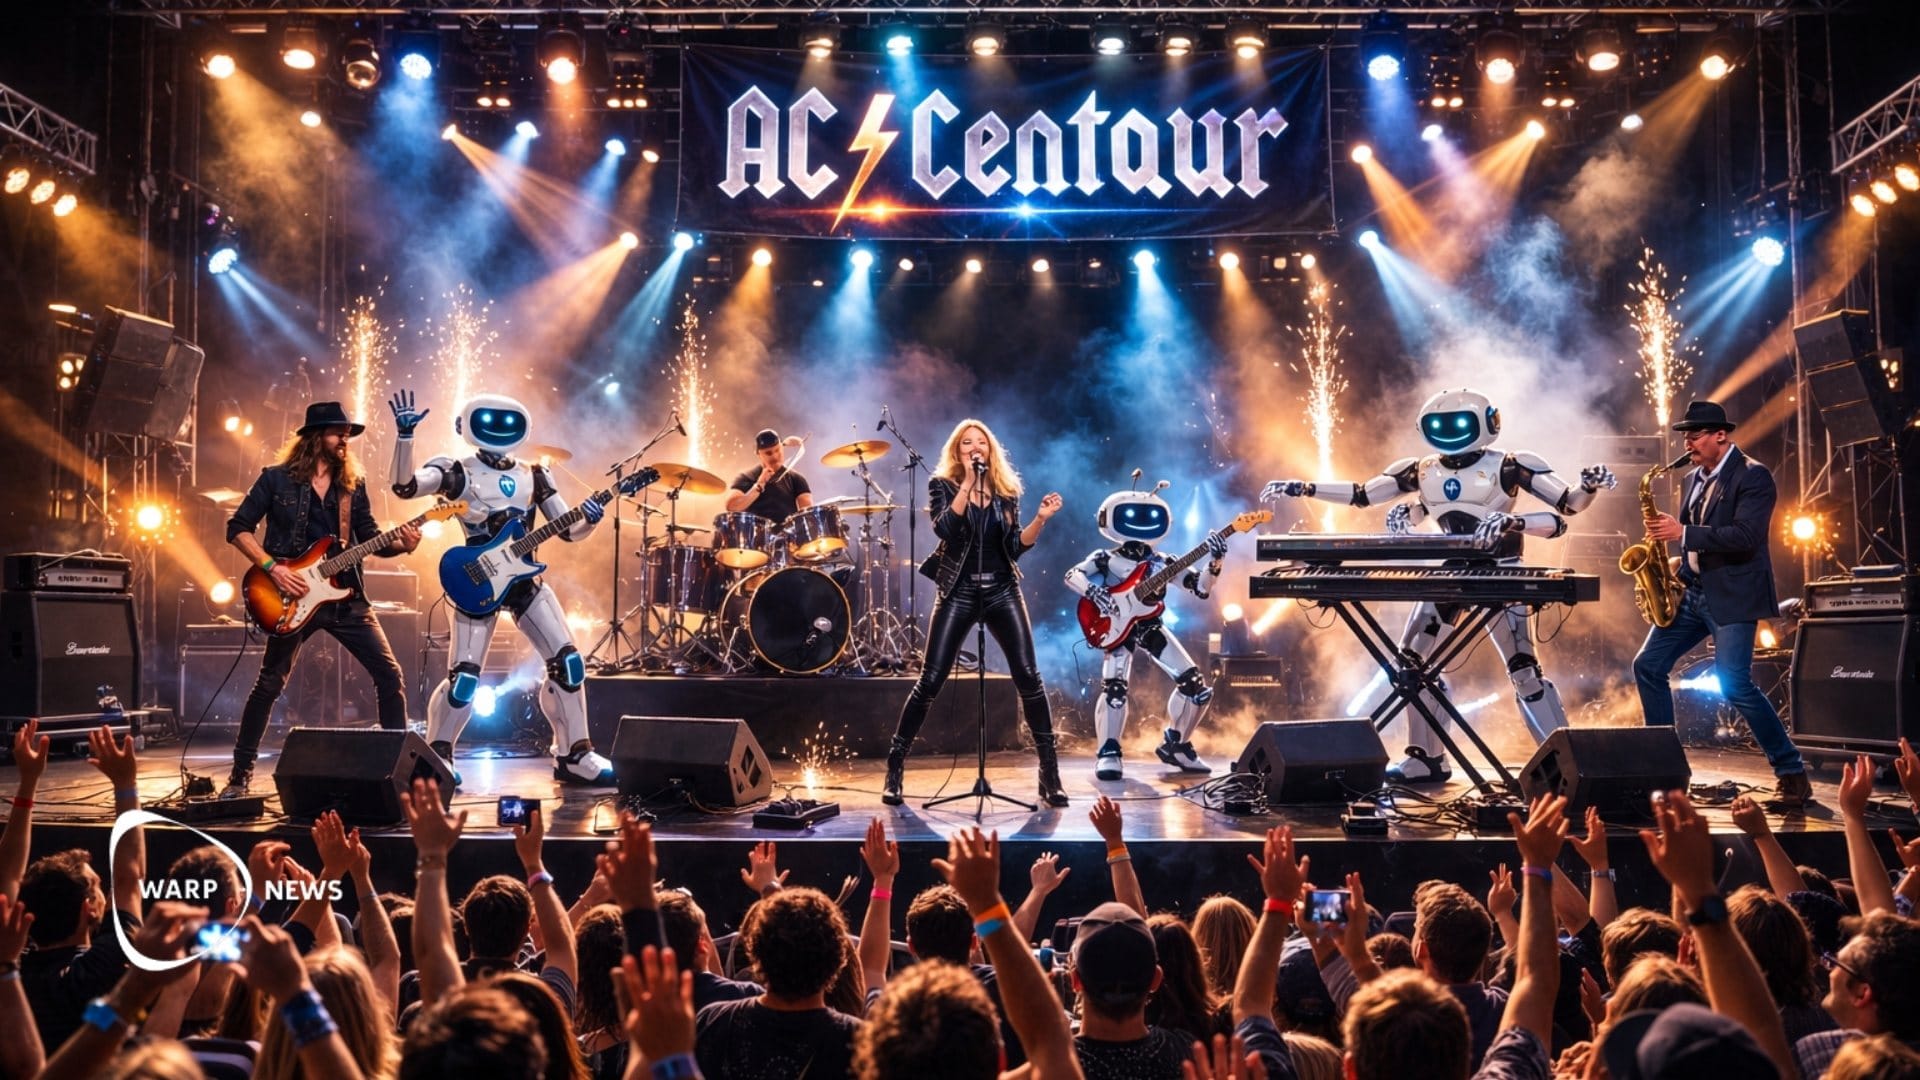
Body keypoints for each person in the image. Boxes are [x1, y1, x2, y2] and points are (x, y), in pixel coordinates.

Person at [1262, 388, 1616, 782]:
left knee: (1523, 670)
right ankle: (1426, 758)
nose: (1450, 431)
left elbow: (1565, 509)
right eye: (1439, 424)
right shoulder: (1422, 470)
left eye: (1460, 422)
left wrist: (1581, 490)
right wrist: (1305, 488)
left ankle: (1565, 765)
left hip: (1502, 569)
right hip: (1452, 571)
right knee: (1411, 665)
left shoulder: (1510, 465)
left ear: (1488, 423)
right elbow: (1362, 494)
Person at [389, 390, 634, 785]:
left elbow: (569, 530)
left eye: (509, 421)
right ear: (466, 424)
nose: (500, 427)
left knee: (569, 662)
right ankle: (439, 753)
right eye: (489, 419)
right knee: (465, 678)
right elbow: (405, 487)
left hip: (525, 581)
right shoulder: (457, 470)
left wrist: (591, 518)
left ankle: (574, 753)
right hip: (477, 581)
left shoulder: (535, 473)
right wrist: (405, 437)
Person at [224, 401, 421, 796]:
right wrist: (273, 568)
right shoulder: (275, 480)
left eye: (347, 435)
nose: (345, 440)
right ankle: (240, 775)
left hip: (346, 597)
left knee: (389, 676)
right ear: (315, 437)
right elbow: (237, 528)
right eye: (337, 433)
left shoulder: (352, 486)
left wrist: (402, 545)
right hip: (290, 595)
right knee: (269, 683)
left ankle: (398, 775)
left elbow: (369, 537)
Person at [1632, 399, 1811, 807]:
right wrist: (1676, 566)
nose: (1688, 443)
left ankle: (1791, 772)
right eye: (1685, 436)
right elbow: (1697, 538)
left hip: (1733, 596)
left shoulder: (1753, 476)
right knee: (1647, 666)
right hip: (1693, 591)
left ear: (1720, 435)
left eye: (1695, 435)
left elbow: (1746, 537)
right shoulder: (1692, 478)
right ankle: (1664, 770)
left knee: (1735, 684)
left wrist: (1683, 533)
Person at [882, 419, 1066, 808]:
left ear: (990, 449)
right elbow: (945, 529)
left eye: (980, 442)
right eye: (967, 443)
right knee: (930, 680)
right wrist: (967, 482)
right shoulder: (943, 485)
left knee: (1029, 677)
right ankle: (895, 766)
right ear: (958, 451)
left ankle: (1049, 774)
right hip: (959, 590)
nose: (974, 447)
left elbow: (1014, 547)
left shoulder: (1006, 491)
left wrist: (1040, 520)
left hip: (1001, 589)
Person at [1063, 480, 1230, 780]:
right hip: (1115, 622)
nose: (1142, 520)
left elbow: (1201, 588)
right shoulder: (1105, 558)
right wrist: (1093, 591)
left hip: (1149, 623)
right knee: (1115, 688)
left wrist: (1215, 561)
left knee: (1195, 686)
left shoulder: (1164, 562)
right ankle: (1109, 752)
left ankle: (1177, 745)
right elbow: (1072, 574)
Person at [726, 429, 814, 521]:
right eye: (768, 453)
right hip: (757, 530)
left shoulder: (796, 478)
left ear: (782, 447)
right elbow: (731, 507)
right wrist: (759, 485)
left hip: (789, 530)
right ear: (758, 454)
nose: (775, 456)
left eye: (777, 450)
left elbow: (808, 515)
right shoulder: (746, 477)